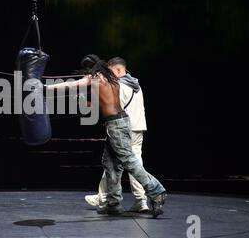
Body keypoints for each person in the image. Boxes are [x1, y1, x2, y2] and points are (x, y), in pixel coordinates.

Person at [46, 59, 166, 217]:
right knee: (110, 163)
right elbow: (102, 104)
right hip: (119, 123)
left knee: (129, 161)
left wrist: (46, 87)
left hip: (116, 125)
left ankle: (157, 192)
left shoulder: (95, 78)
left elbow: (71, 85)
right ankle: (114, 203)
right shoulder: (112, 81)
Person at [85, 57, 150, 213]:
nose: (108, 74)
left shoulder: (119, 85)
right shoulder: (136, 84)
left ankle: (103, 197)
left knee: (112, 164)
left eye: (110, 70)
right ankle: (141, 201)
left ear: (119, 70)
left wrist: (89, 103)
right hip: (139, 128)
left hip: (123, 130)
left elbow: (111, 106)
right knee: (135, 164)